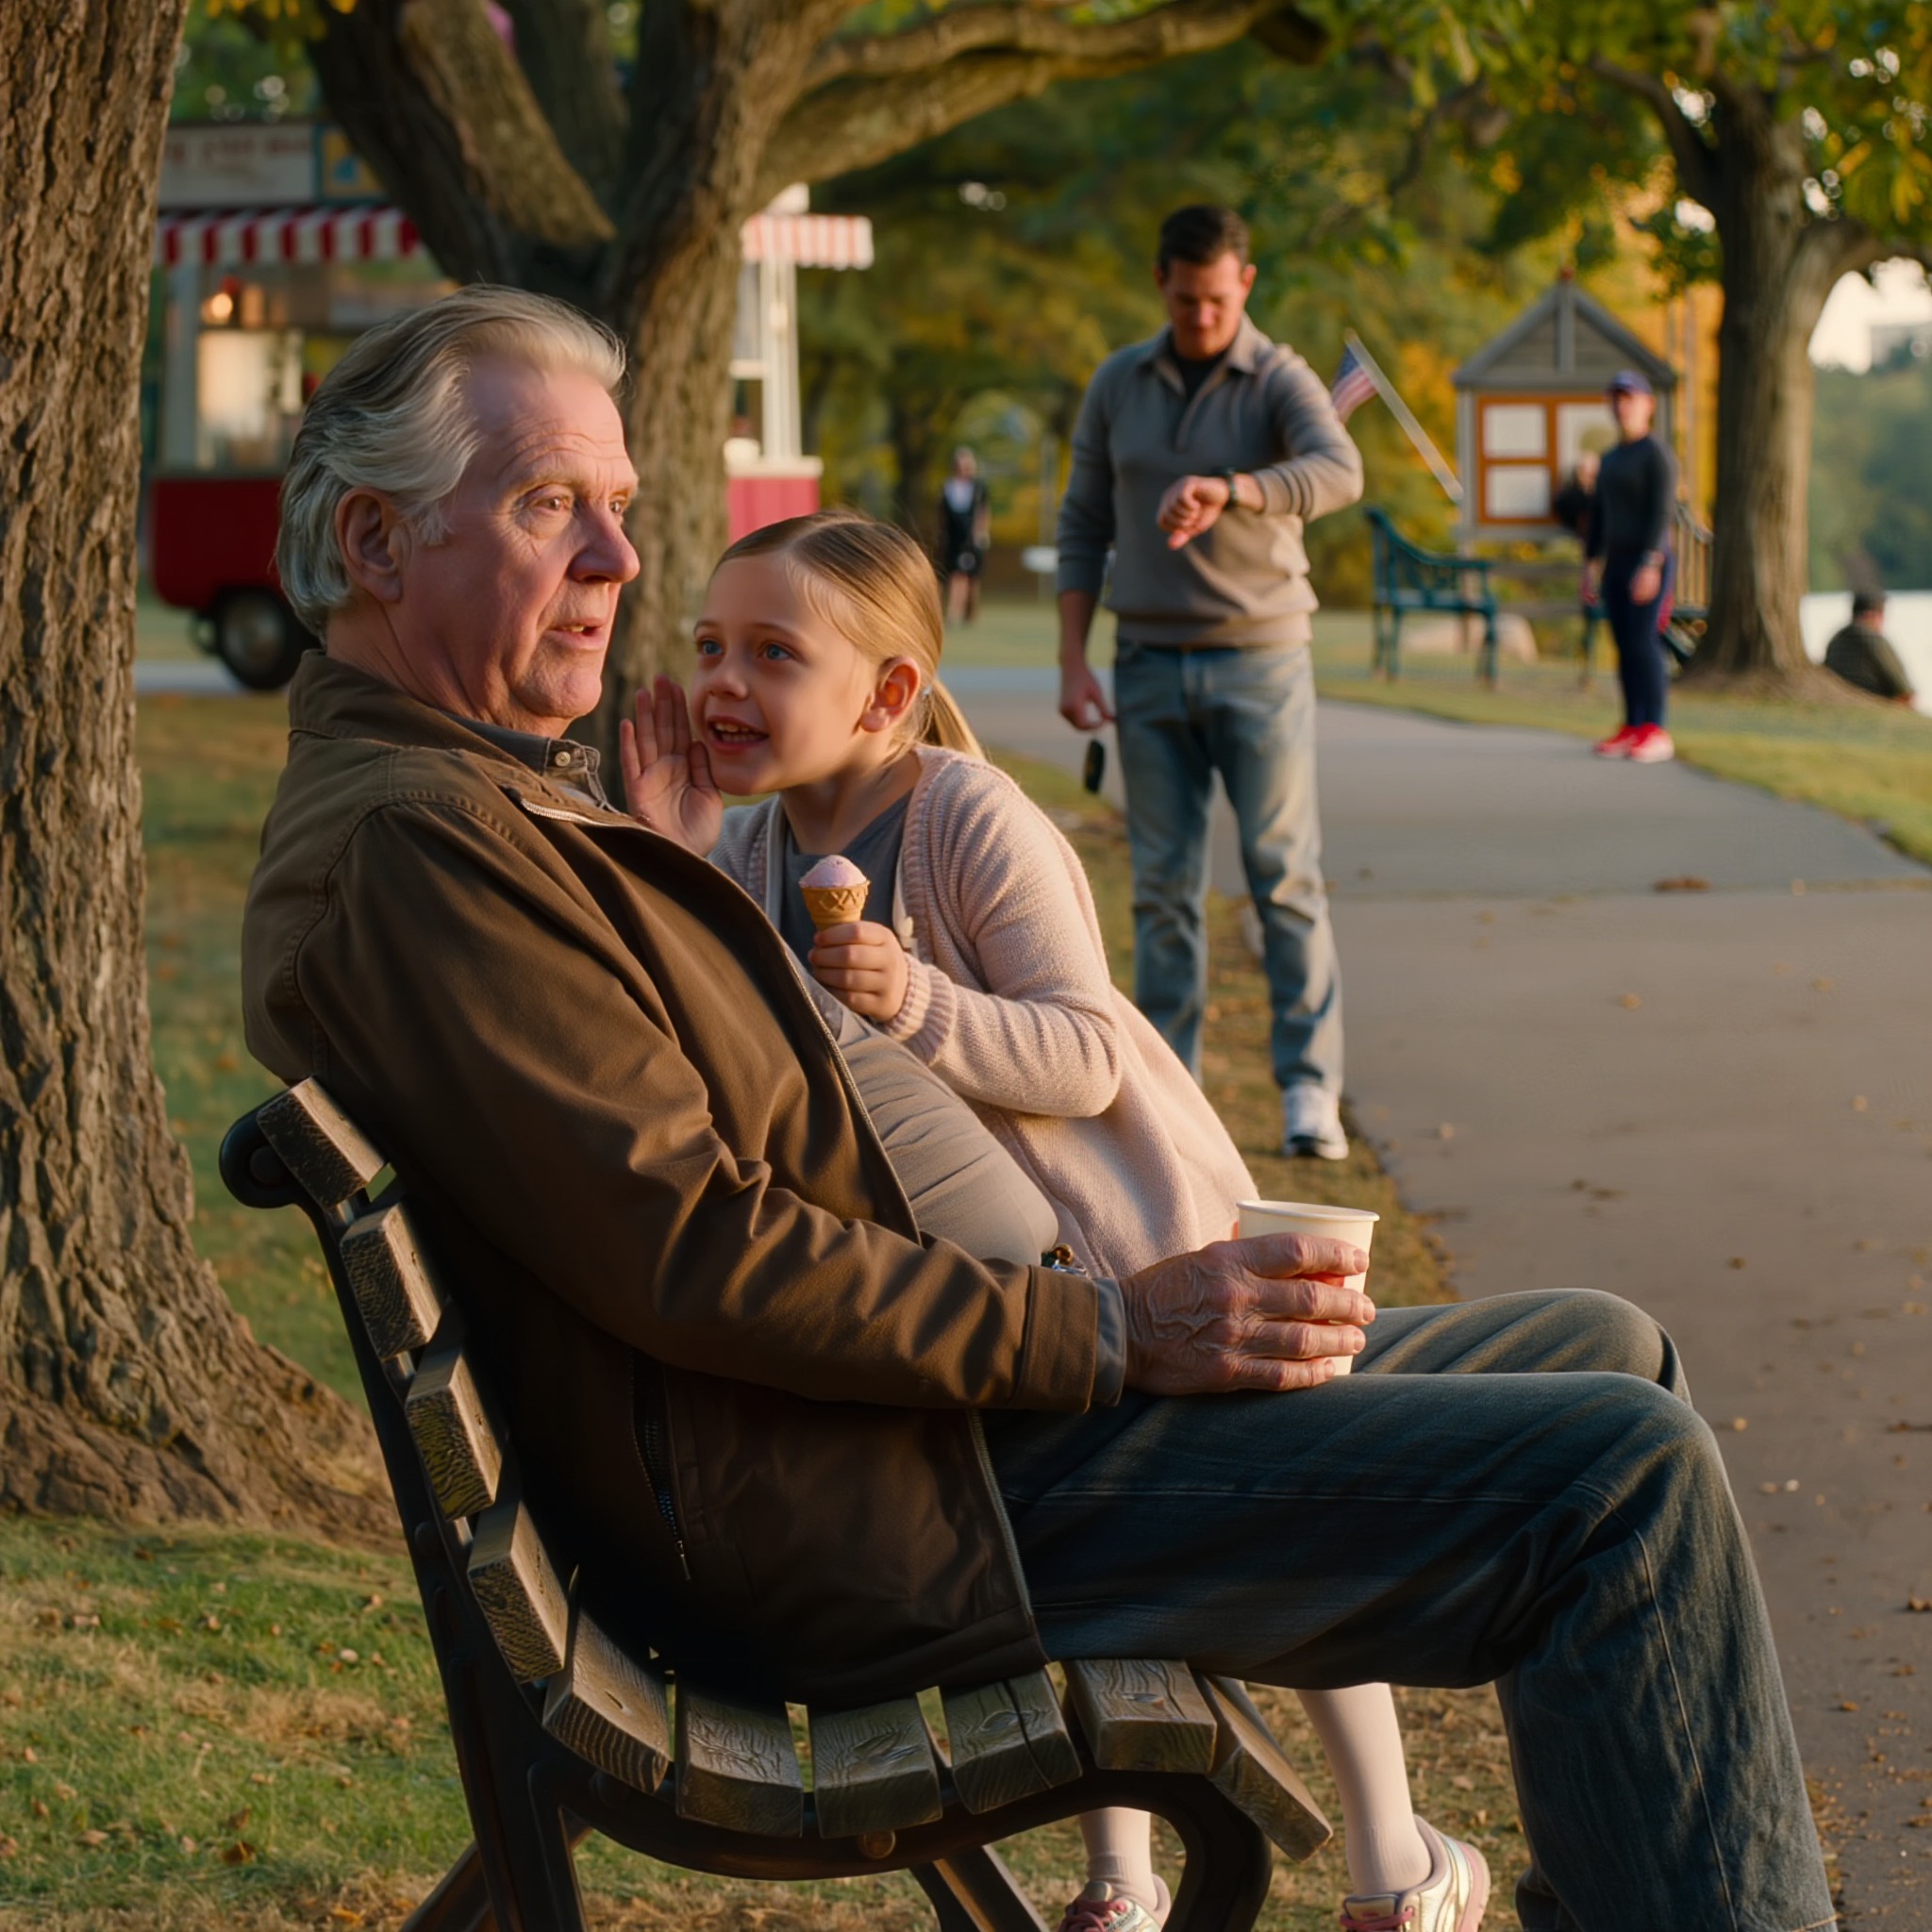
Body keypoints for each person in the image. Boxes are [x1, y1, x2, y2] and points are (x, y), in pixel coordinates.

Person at [242, 288, 1833, 1932]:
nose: (618, 565)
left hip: (914, 1436)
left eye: (623, 511)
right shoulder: (418, 848)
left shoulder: (473, 801)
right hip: (899, 1497)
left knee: (1605, 1351)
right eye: (548, 504)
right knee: (1614, 1482)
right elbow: (699, 1247)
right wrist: (1107, 1333)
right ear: (374, 543)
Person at [620, 508, 1474, 1932]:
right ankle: (1122, 1883)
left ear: (888, 693)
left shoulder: (963, 816)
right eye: (710, 646)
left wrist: (918, 1004)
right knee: (1104, 1592)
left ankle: (1398, 1863)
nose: (723, 681)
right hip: (1012, 1313)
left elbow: (1084, 1052)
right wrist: (680, 862)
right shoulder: (755, 857)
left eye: (773, 652)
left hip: (1147, 1259)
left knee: (1297, 1532)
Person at [1055, 205, 1362, 1164]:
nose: (1199, 317)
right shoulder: (1118, 381)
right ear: (1161, 283)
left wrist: (1233, 488)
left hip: (1259, 657)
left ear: (1246, 285)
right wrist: (1072, 657)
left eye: (1217, 300)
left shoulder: (1276, 377)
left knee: (1282, 875)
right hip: (1145, 662)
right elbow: (1083, 521)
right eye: (1185, 300)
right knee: (1161, 891)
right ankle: (1170, 1099)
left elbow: (1337, 470)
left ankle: (1309, 1087)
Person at [1584, 372, 1679, 764]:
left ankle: (1655, 728)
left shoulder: (1656, 454)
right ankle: (1632, 724)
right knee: (1623, 646)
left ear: (1647, 404)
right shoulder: (1610, 459)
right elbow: (1600, 516)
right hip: (1616, 560)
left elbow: (1662, 512)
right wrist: (1590, 564)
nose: (1622, 406)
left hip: (1648, 560)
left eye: (1630, 398)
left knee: (1644, 643)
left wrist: (1651, 563)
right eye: (1617, 398)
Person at [1823, 591, 1916, 704]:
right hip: (1875, 703)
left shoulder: (1836, 639)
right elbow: (1903, 689)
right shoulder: (1873, 639)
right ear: (1873, 614)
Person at [940, 446, 991, 623]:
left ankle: (971, 612)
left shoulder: (978, 488)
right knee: (957, 574)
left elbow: (983, 512)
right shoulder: (948, 487)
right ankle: (954, 611)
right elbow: (942, 514)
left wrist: (981, 533)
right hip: (954, 539)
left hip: (973, 538)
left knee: (973, 577)